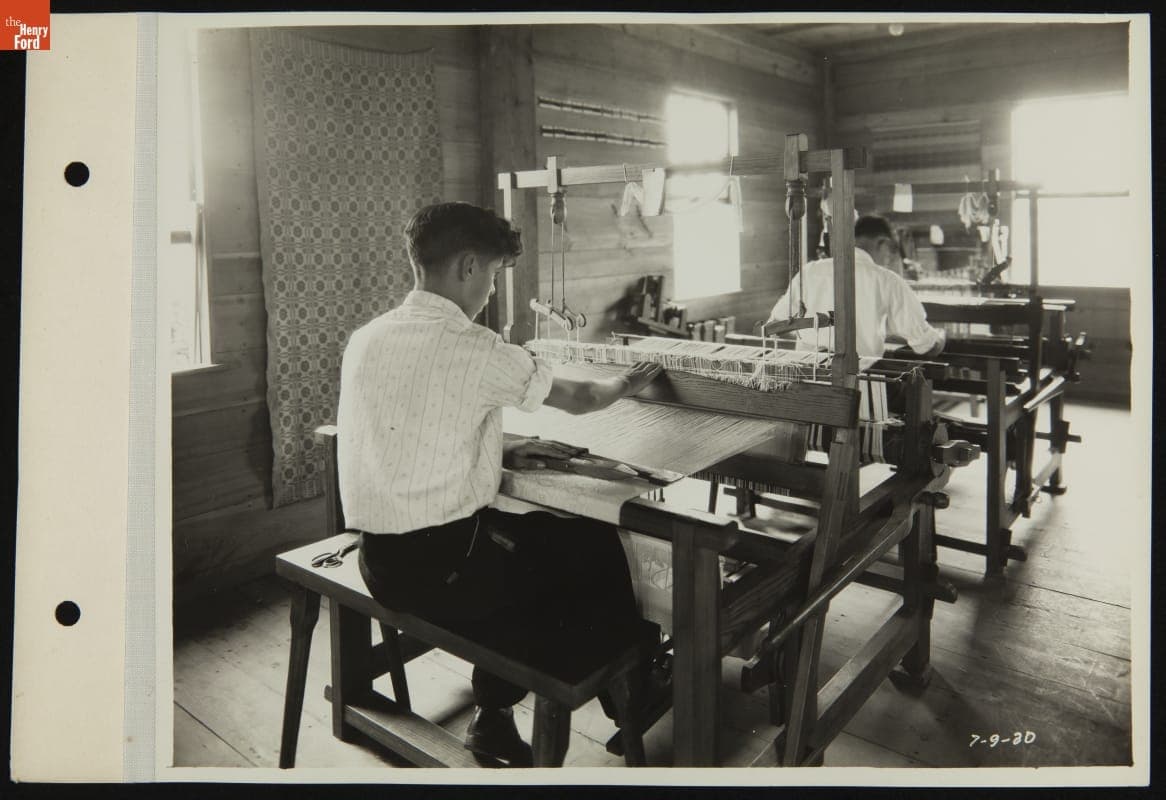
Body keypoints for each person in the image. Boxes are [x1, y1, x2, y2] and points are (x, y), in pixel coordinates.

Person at [336, 201, 662, 767]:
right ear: (466, 266)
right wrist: (628, 383)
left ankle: (498, 711)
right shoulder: (475, 347)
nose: (489, 289)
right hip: (446, 572)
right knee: (588, 543)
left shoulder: (367, 337)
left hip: (380, 560)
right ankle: (629, 685)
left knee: (538, 537)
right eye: (490, 274)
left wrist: (506, 447)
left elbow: (407, 428)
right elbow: (584, 399)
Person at [768, 215, 945, 359]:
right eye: (890, 251)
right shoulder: (886, 280)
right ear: (882, 244)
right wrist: (940, 337)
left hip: (808, 385)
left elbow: (776, 326)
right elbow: (926, 346)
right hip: (860, 387)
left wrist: (814, 343)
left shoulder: (811, 270)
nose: (889, 259)